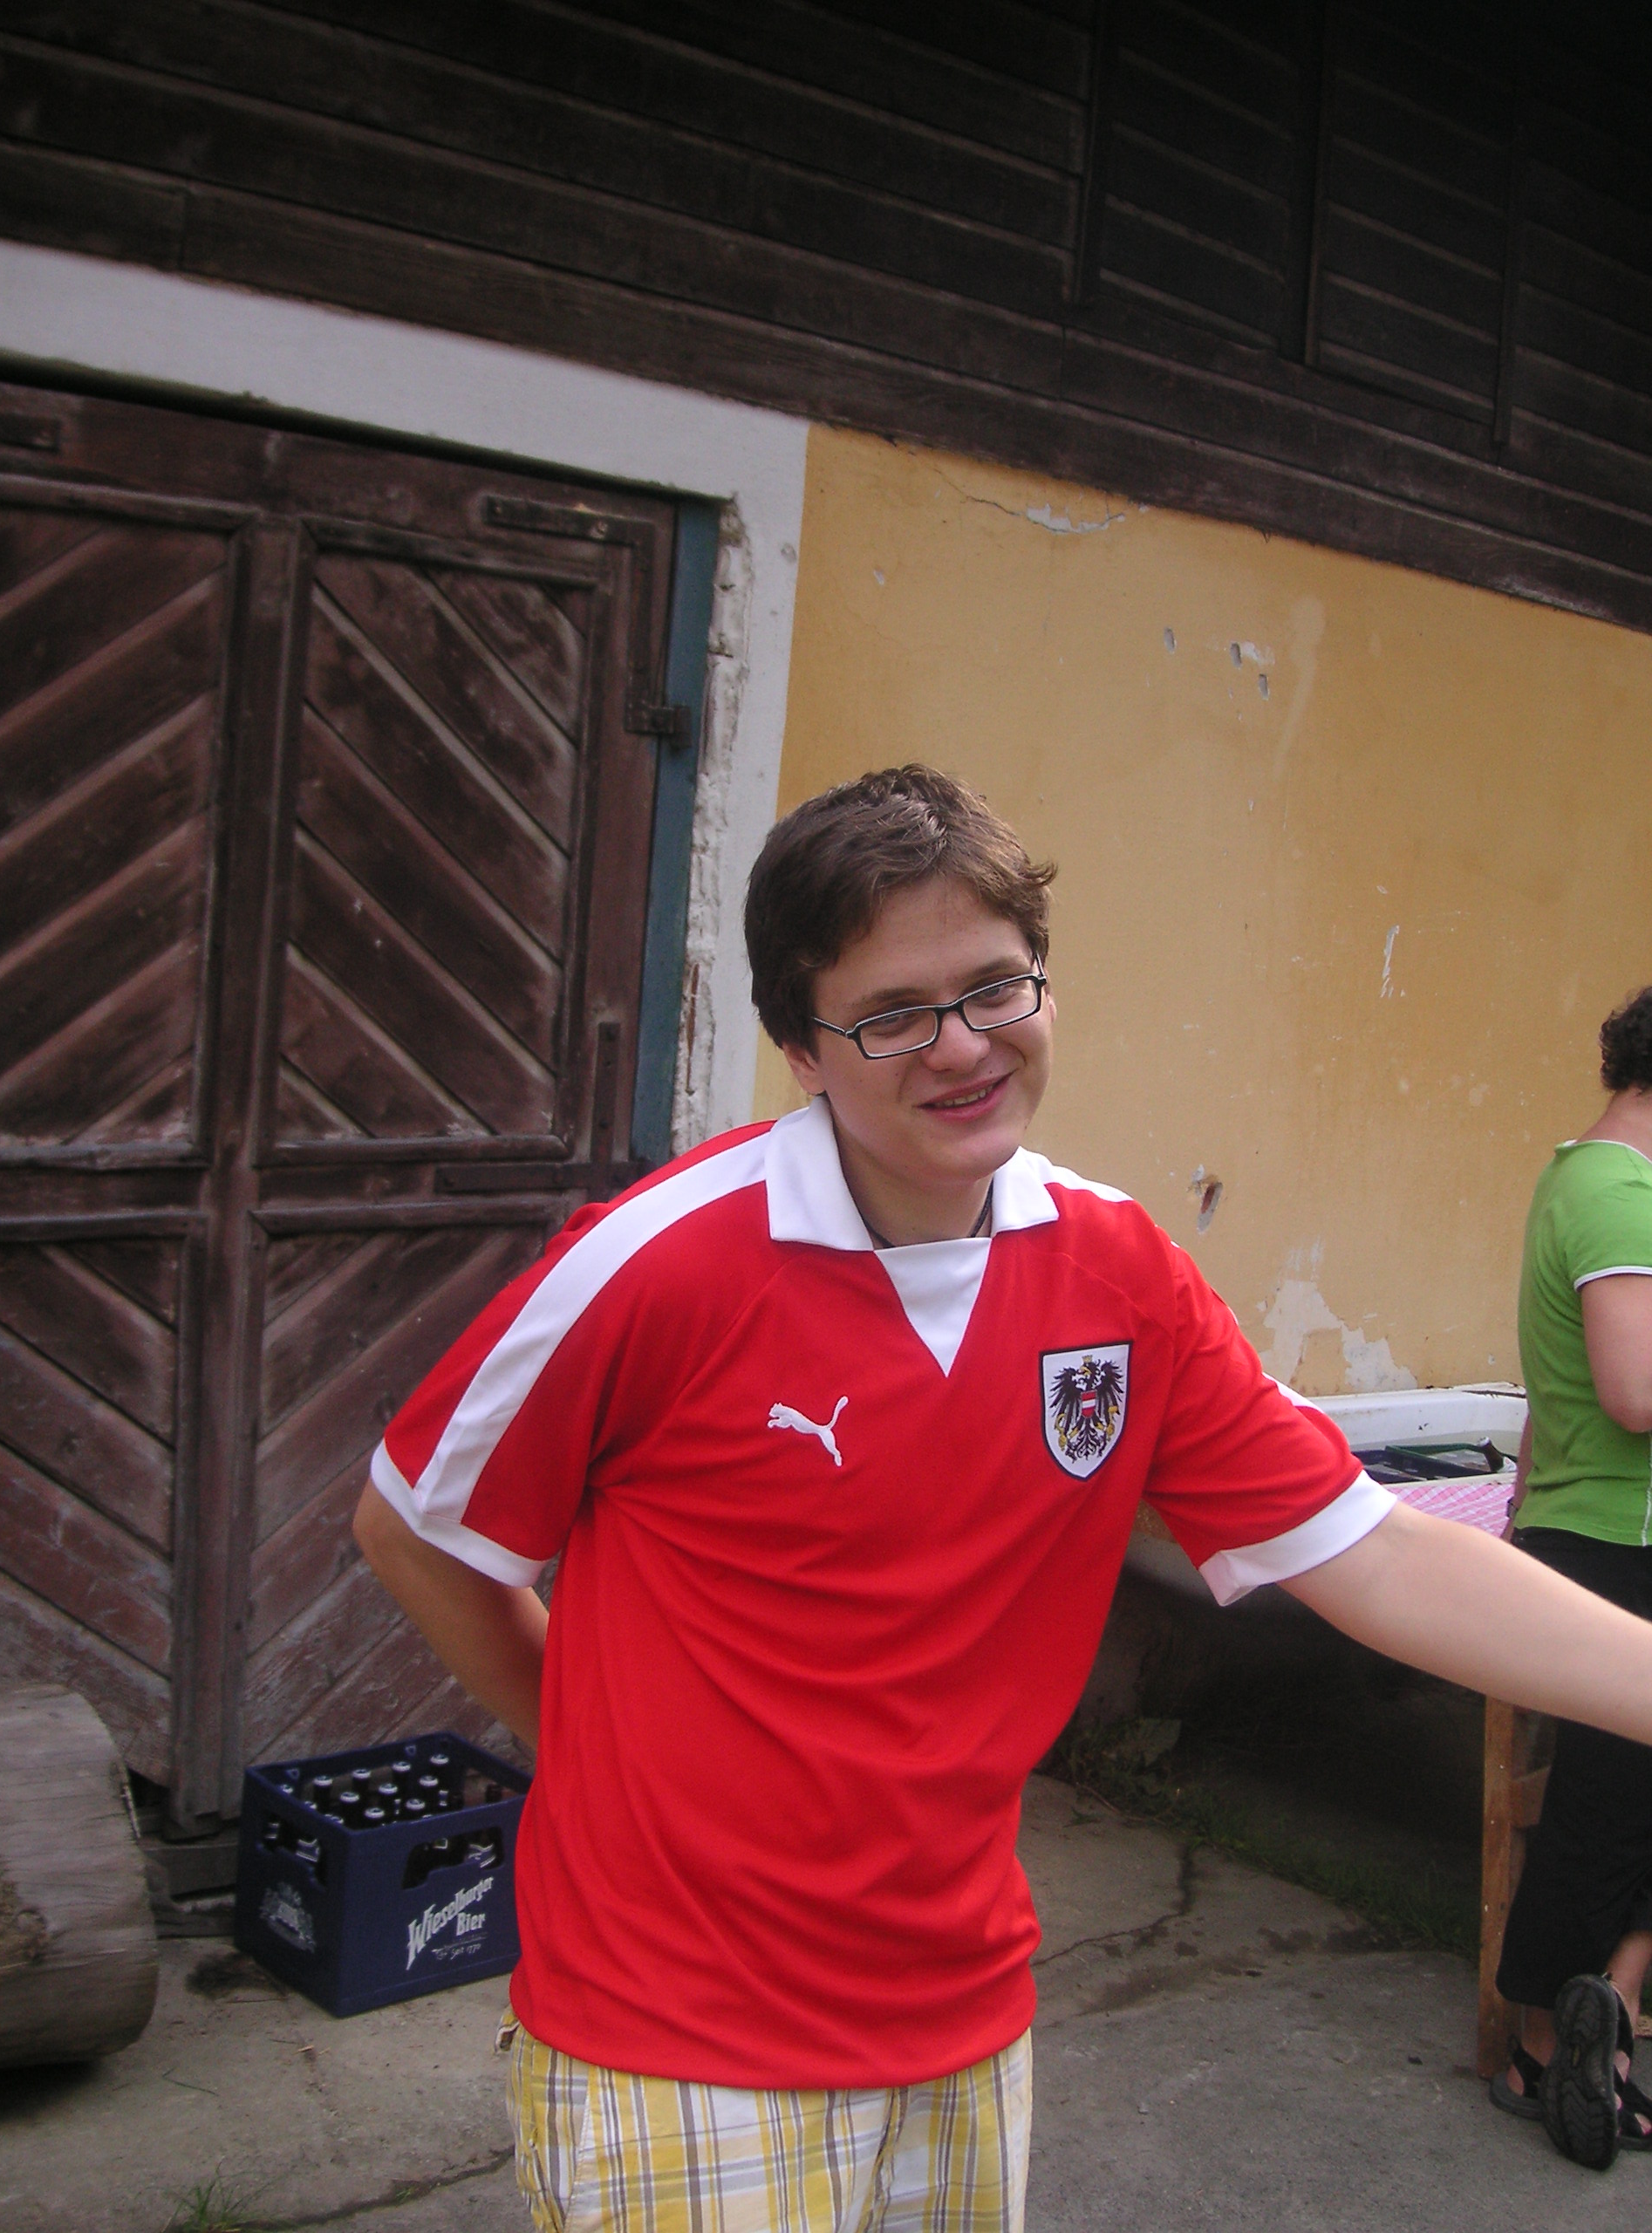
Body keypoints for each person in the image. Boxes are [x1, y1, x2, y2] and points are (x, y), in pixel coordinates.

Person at [357, 768, 1652, 2229]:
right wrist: (598, 1757)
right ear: (800, 1048)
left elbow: (1379, 1555)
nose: (963, 1047)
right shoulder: (658, 1265)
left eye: (995, 987)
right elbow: (416, 1533)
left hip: (965, 2018)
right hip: (677, 2039)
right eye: (893, 1014)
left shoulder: (1118, 1274)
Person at [1493, 986, 1652, 2169]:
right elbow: (1632, 1392)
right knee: (1604, 1808)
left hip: (1590, 1525)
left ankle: (1614, 2012)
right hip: (1616, 1538)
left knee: (1616, 1800)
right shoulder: (1619, 1193)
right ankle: (1545, 2045)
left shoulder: (1582, 1176)